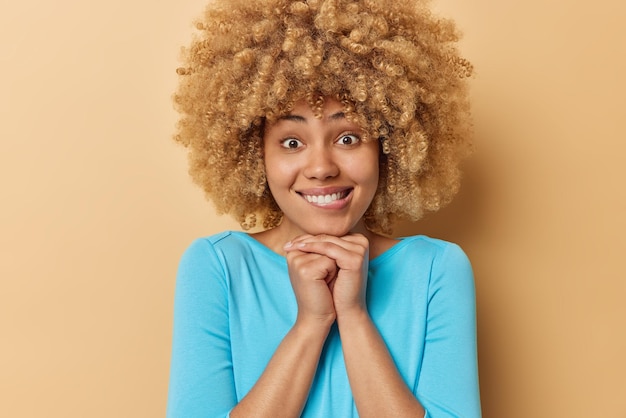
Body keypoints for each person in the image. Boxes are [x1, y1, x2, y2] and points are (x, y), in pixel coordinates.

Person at [167, 0, 480, 416]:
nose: (320, 168)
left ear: (389, 146)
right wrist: (311, 324)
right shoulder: (218, 266)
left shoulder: (436, 269)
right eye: (292, 142)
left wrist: (353, 316)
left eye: (348, 138)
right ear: (252, 151)